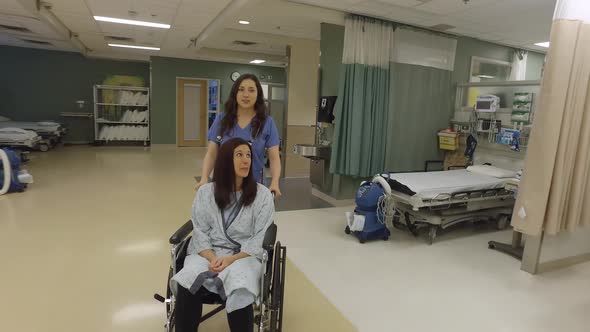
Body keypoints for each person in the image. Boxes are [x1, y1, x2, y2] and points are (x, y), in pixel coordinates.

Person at [172, 137, 275, 332]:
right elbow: (200, 229)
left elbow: (260, 236)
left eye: (248, 156)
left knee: (239, 284)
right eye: (239, 155)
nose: (246, 160)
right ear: (226, 160)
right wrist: (212, 257)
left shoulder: (262, 196)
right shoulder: (206, 193)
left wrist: (231, 259)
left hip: (244, 255)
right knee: (188, 278)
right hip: (207, 252)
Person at [195, 73, 282, 197]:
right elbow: (211, 153)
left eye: (251, 90)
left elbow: (274, 158)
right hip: (224, 184)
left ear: (258, 95)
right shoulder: (222, 120)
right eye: (241, 90)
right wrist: (204, 178)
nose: (246, 95)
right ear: (235, 93)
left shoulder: (267, 123)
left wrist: (275, 182)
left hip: (254, 185)